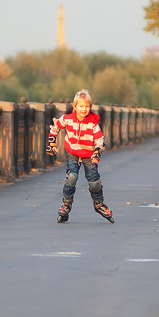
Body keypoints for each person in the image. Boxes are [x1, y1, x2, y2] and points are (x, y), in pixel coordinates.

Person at [48, 89, 114, 223]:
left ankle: (99, 204)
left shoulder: (93, 123)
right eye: (81, 106)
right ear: (75, 107)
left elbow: (100, 139)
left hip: (89, 154)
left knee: (94, 182)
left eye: (87, 106)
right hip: (72, 151)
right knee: (71, 177)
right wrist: (51, 142)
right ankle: (66, 204)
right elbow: (55, 127)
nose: (84, 109)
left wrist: (97, 153)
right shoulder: (68, 119)